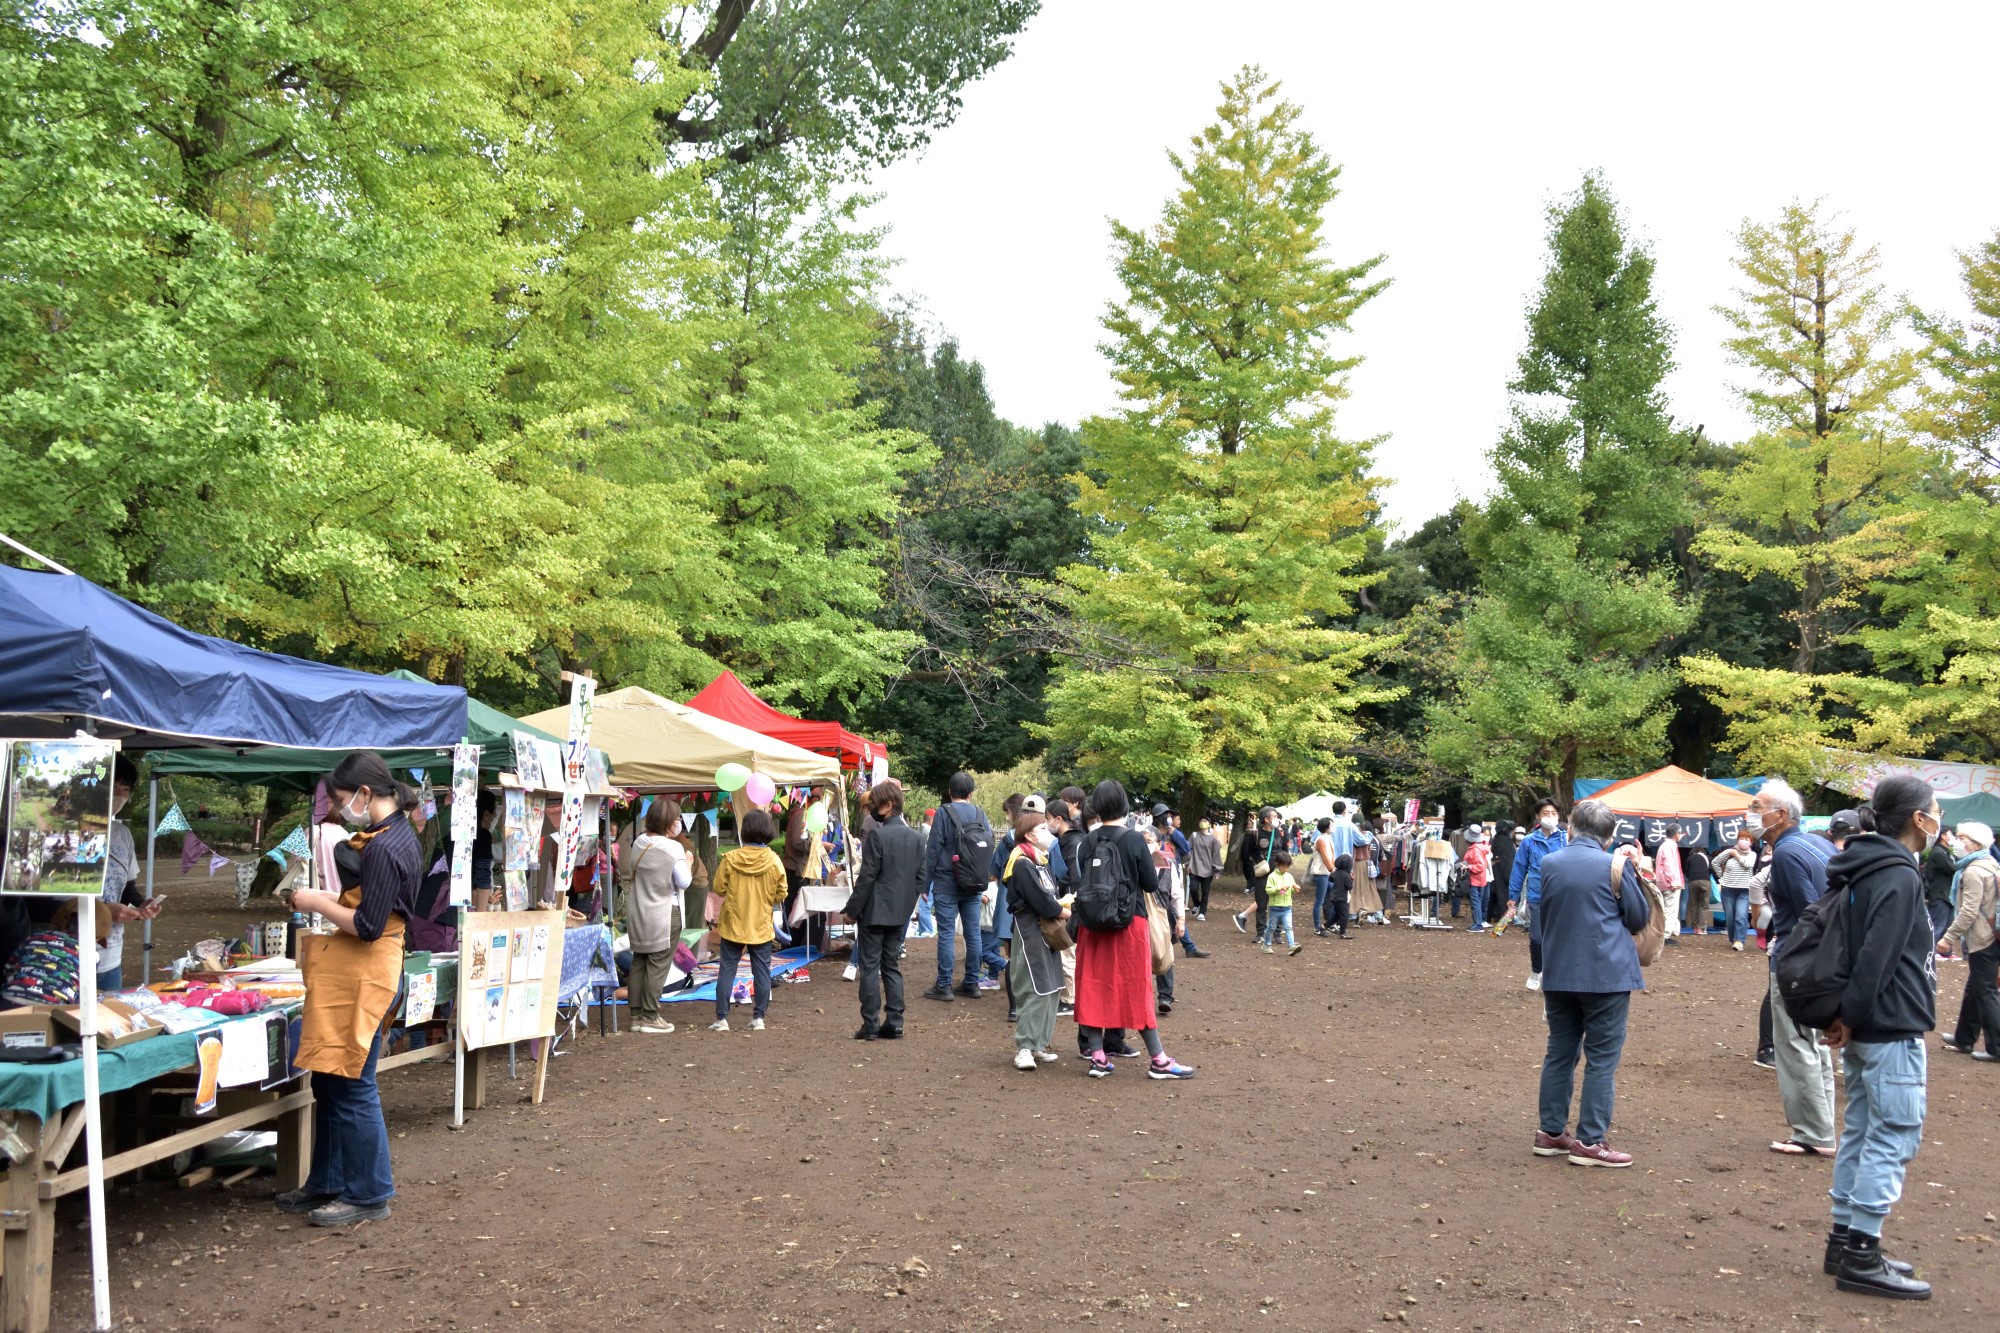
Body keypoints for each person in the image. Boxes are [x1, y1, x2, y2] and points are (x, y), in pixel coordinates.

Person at [279, 753, 423, 1226]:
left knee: (354, 1083)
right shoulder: (394, 833)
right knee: (328, 1076)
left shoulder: (384, 846)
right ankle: (327, 1180)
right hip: (360, 967)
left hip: (371, 968)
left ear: (365, 792)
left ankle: (369, 1193)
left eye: (343, 800)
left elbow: (367, 925)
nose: (341, 811)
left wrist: (315, 901)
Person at [1818, 774, 1941, 1300]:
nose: (1939, 819)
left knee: (1863, 1131)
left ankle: (1843, 1241)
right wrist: (1852, 1012)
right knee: (1892, 1134)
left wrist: (1846, 1016)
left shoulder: (1863, 867)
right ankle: (1863, 1254)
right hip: (1890, 1024)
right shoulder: (1899, 875)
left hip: (1867, 1025)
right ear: (1919, 818)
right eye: (1935, 810)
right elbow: (1878, 957)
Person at [1530, 799, 1649, 1169]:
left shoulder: (1550, 863)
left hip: (1559, 971)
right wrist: (1634, 868)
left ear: (1570, 827)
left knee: (1560, 1051)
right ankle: (1591, 1141)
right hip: (1606, 974)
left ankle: (1551, 1132)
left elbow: (1541, 909)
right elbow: (1638, 917)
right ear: (1610, 835)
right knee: (1601, 1058)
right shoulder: (1615, 864)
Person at [1073, 781, 1194, 1081]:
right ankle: (1159, 1060)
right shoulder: (1134, 839)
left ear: (1097, 807)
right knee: (1136, 989)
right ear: (1125, 805)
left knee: (1092, 987)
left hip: (1092, 925)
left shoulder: (1086, 842)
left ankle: (1098, 1058)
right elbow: (1151, 884)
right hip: (1129, 924)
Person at [1749, 779, 1837, 1158]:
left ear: (1780, 814)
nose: (1750, 815)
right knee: (1815, 1045)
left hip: (1797, 961)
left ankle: (1812, 1132)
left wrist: (1795, 964)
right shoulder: (1818, 843)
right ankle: (1822, 1125)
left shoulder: (1785, 854)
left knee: (1795, 1044)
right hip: (1825, 959)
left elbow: (1809, 913)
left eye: (1757, 807)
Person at [845, 782, 925, 1041]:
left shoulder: (878, 836)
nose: (872, 810)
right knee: (890, 965)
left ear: (888, 806)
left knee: (869, 967)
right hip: (899, 914)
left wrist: (852, 910)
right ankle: (895, 1021)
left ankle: (870, 1024)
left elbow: (867, 878)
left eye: (875, 805)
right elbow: (920, 878)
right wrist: (906, 905)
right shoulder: (916, 837)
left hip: (874, 912)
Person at [707, 808, 789, 1033]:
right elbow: (782, 893)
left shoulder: (730, 859)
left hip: (733, 922)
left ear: (744, 832)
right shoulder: (774, 860)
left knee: (727, 970)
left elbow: (718, 888)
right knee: (761, 971)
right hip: (761, 924)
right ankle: (758, 1018)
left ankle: (722, 1019)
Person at [1003, 807, 1068, 1069]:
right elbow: (1041, 900)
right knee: (1034, 986)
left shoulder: (1038, 860)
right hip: (1030, 930)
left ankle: (1038, 1043)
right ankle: (1024, 1048)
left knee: (1052, 985)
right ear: (1028, 836)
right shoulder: (1020, 863)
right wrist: (1062, 910)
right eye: (1041, 828)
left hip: (1045, 931)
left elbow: (1051, 892)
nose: (1048, 831)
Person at [920, 772, 993, 1002]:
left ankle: (944, 985)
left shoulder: (943, 813)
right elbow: (988, 845)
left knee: (947, 934)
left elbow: (933, 850)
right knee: (973, 934)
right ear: (971, 793)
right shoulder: (980, 814)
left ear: (950, 791)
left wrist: (925, 884)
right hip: (973, 884)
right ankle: (972, 982)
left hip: (946, 882)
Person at [621, 798, 691, 1035]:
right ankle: (651, 1016)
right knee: (658, 964)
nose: (679, 823)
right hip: (665, 912)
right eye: (677, 819)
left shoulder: (640, 842)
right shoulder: (674, 848)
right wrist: (688, 863)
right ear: (669, 823)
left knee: (639, 961)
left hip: (639, 910)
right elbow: (684, 881)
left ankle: (636, 1016)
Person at [95, 756, 163, 993]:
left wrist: (141, 905)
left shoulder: (122, 834)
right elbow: (48, 901)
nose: (118, 797)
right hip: (69, 953)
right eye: (113, 788)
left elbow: (126, 887)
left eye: (125, 791)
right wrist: (103, 910)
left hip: (111, 955)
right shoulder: (64, 832)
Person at [1936, 820, 1999, 1060]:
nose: (1957, 842)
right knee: (1975, 989)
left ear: (1976, 844)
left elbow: (1969, 910)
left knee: (1985, 992)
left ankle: (1997, 1048)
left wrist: (1948, 937)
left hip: (1983, 938)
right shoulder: (1990, 864)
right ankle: (1964, 1038)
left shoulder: (1973, 871)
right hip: (1991, 935)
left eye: (1963, 839)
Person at [1508, 798, 1568, 991]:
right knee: (1537, 939)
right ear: (1537, 816)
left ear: (1559, 816)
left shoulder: (1566, 839)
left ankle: (1557, 976)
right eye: (1545, 813)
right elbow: (1519, 869)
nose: (1549, 817)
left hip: (1563, 898)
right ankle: (1536, 970)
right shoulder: (1529, 841)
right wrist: (1513, 897)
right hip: (1537, 897)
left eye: (1553, 813)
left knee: (1561, 939)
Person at [1234, 808, 1279, 939]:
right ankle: (1260, 933)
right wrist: (1260, 862)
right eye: (1274, 816)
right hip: (1262, 873)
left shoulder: (1278, 833)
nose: (1276, 819)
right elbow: (1248, 852)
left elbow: (1283, 850)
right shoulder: (1255, 834)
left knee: (1278, 902)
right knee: (1261, 903)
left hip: (1277, 873)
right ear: (1266, 819)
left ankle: (1276, 932)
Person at [1715, 833, 1759, 952]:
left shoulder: (1752, 854)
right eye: (1741, 839)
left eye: (1747, 839)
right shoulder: (1729, 852)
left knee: (1741, 915)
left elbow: (1748, 865)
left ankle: (1739, 940)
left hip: (1744, 890)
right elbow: (1715, 862)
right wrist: (1721, 877)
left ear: (1751, 843)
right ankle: (1733, 939)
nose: (1744, 841)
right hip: (1727, 889)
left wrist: (1736, 855)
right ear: (1737, 840)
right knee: (1730, 916)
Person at [1921, 826, 1960, 944]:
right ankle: (1930, 950)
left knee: (1947, 926)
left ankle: (1945, 952)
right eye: (1950, 834)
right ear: (1943, 836)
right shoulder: (1938, 853)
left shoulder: (1945, 852)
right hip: (1939, 894)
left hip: (1947, 895)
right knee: (1937, 926)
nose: (1954, 837)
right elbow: (1953, 869)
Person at [1260, 851, 1303, 956]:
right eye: (1283, 867)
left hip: (1287, 907)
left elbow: (1289, 890)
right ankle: (1266, 944)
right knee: (1271, 927)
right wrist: (1279, 888)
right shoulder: (1272, 877)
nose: (1285, 869)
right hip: (1275, 907)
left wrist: (1295, 888)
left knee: (1288, 927)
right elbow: (1269, 890)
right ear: (1277, 864)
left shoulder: (1289, 876)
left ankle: (1291, 946)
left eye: (1287, 867)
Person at [1653, 824, 1685, 947]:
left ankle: (1668, 932)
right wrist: (1672, 881)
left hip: (1663, 882)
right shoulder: (1670, 846)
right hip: (1671, 883)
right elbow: (1669, 865)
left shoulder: (1664, 845)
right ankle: (1665, 935)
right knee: (1670, 909)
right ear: (1677, 834)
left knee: (1667, 908)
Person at [1187, 818, 1223, 921]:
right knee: (1193, 889)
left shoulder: (1213, 839)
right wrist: (1188, 864)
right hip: (1194, 867)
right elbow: (1188, 849)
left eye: (1205, 821)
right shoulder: (1194, 836)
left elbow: (1216, 855)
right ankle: (1197, 904)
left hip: (1207, 870)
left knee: (1205, 892)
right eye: (1201, 821)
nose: (1203, 823)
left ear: (1209, 824)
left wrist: (1217, 870)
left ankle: (1202, 913)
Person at [1462, 823, 1493, 932]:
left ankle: (1478, 924)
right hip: (1481, 879)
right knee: (1478, 900)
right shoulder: (1481, 847)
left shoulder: (1475, 849)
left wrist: (1468, 866)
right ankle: (1477, 922)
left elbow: (1479, 865)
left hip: (1475, 879)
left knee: (1475, 901)